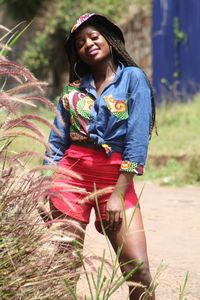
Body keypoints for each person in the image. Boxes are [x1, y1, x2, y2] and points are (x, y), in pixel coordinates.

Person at [43, 13, 156, 300]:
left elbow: (138, 137)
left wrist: (119, 194)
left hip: (115, 178)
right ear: (76, 52)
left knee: (138, 271)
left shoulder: (132, 78)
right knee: (63, 269)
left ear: (109, 38)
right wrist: (44, 187)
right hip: (71, 177)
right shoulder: (72, 92)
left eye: (94, 36)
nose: (88, 44)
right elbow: (56, 143)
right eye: (80, 42)